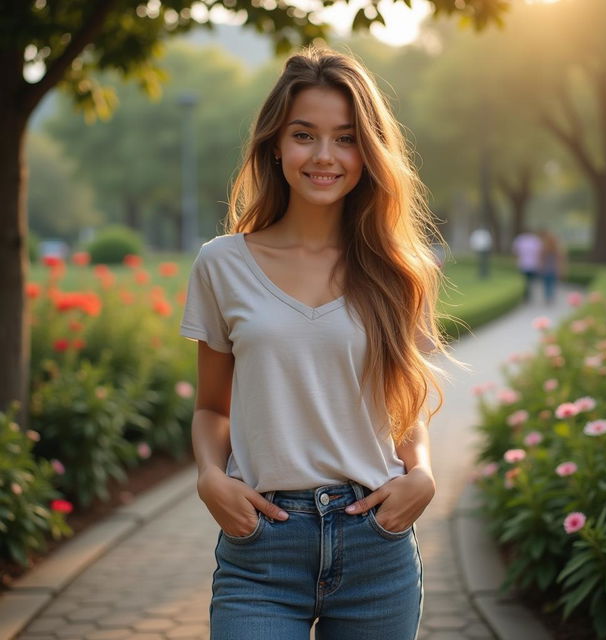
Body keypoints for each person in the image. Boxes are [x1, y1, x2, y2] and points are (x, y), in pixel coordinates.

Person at [179, 47, 448, 640]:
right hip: (263, 548)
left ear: (368, 153)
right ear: (276, 144)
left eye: (346, 138)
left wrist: (422, 473)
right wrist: (208, 476)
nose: (325, 157)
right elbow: (211, 407)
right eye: (305, 135)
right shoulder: (222, 265)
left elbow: (402, 407)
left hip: (376, 542)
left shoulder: (399, 269)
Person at [512, 228, 542, 302]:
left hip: (525, 264)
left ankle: (527, 295)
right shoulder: (535, 240)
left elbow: (515, 251)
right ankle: (528, 294)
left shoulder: (521, 239)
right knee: (529, 281)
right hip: (531, 265)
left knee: (526, 281)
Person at [538, 229, 566, 305]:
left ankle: (548, 298)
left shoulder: (545, 248)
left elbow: (541, 260)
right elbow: (561, 261)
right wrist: (561, 270)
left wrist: (541, 268)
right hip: (553, 270)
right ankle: (550, 297)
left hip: (547, 269)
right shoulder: (558, 249)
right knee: (552, 285)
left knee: (546, 285)